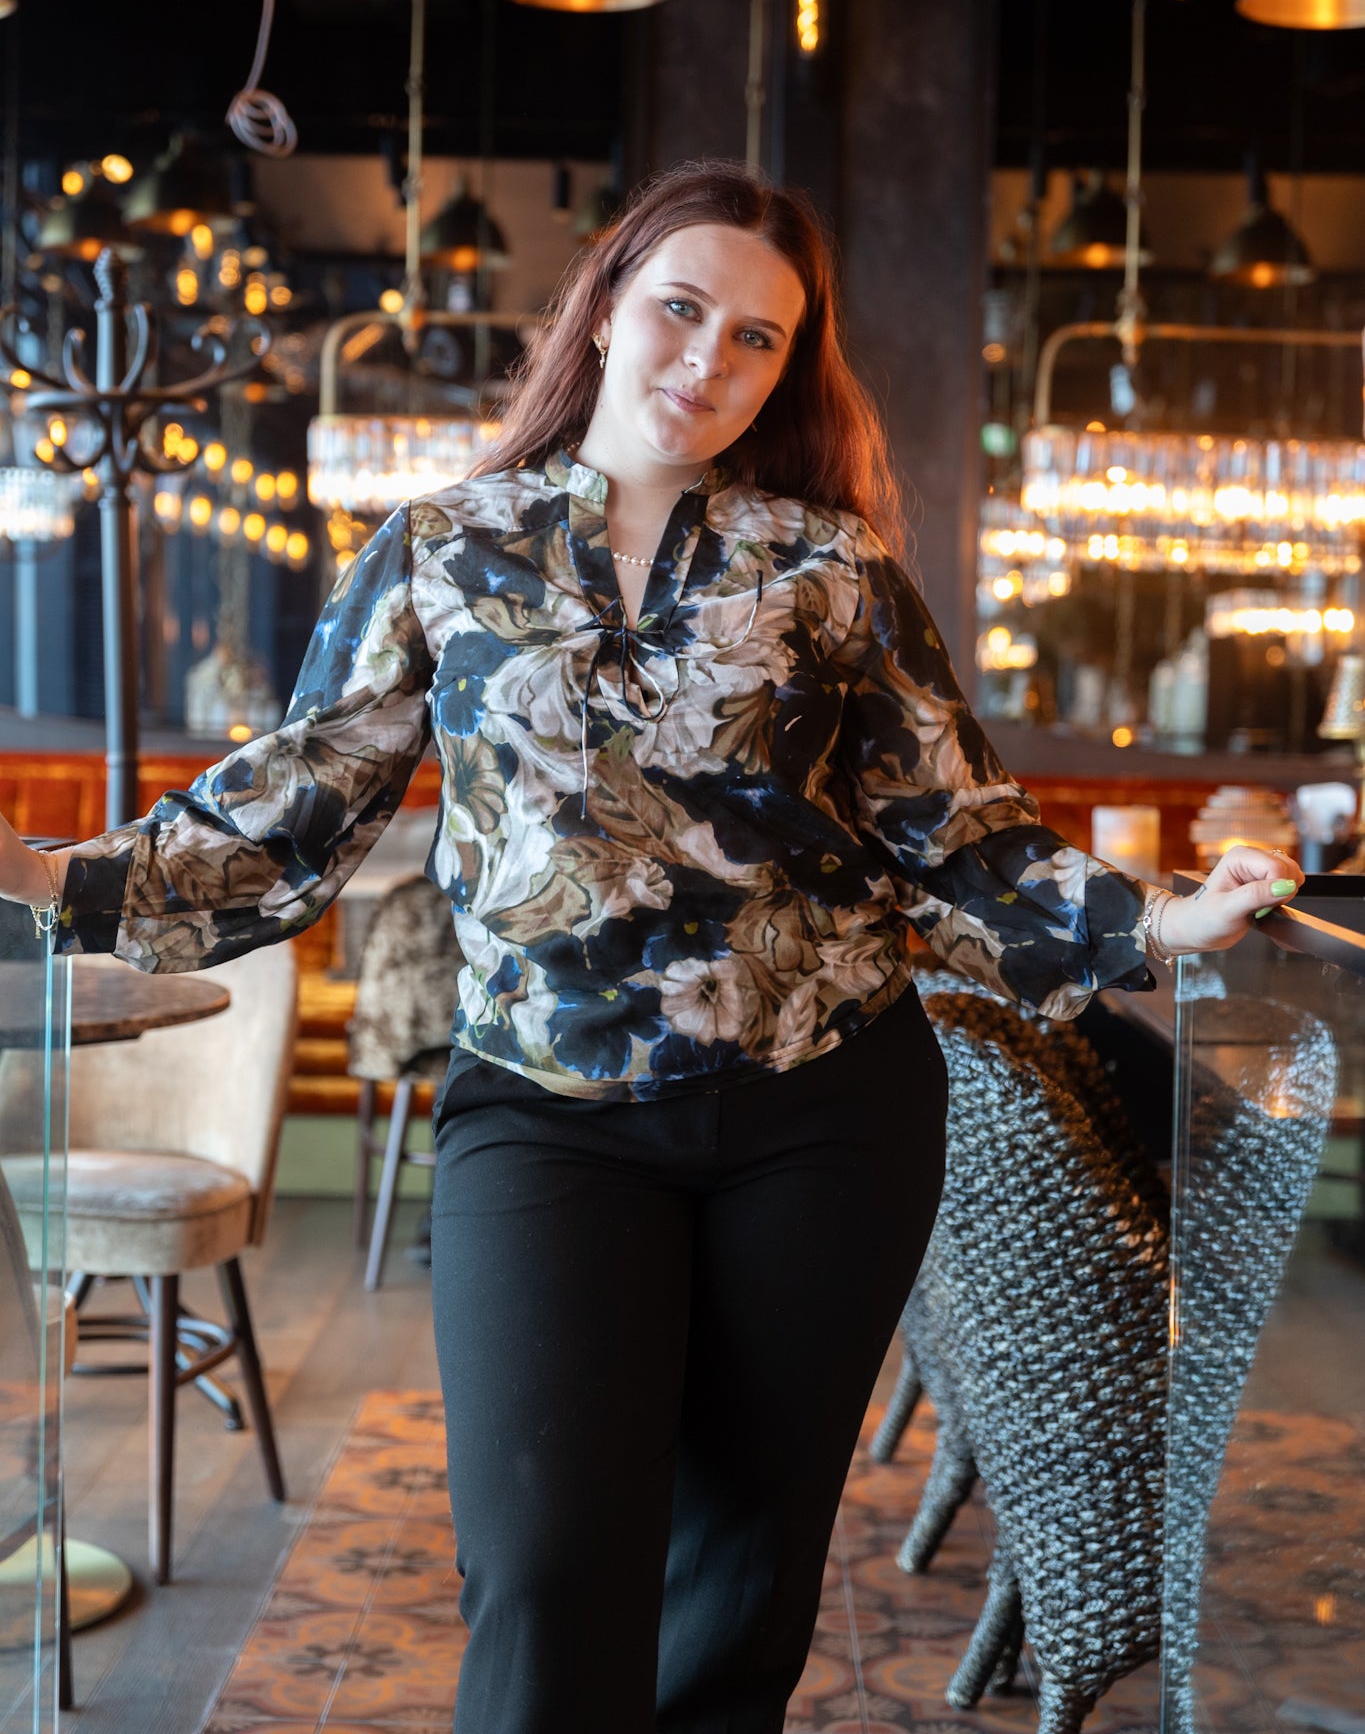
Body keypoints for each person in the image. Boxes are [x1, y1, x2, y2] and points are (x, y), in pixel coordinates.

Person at [0, 160, 1302, 1734]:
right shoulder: (441, 545)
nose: (708, 359)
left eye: (756, 338)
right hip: (544, 1113)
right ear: (607, 306)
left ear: (786, 367)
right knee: (543, 1570)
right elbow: (291, 810)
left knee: (742, 1578)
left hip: (825, 1110)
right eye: (682, 309)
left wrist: (1160, 918)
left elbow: (957, 830)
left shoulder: (832, 569)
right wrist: (39, 872)